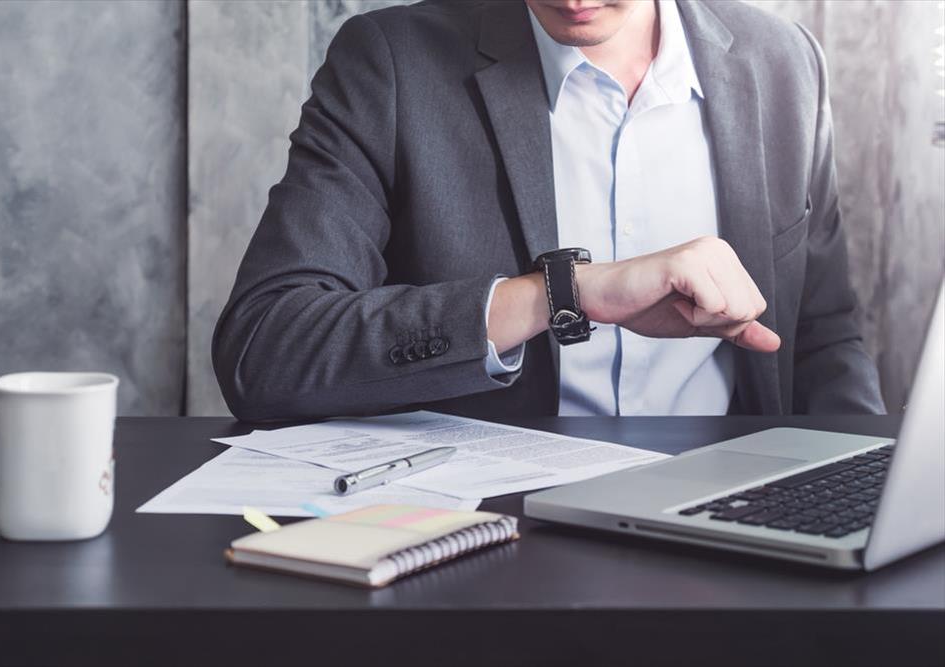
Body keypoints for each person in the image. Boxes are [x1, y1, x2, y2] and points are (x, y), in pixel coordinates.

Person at [213, 0, 885, 422]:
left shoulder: (785, 64)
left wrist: (866, 486)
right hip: (497, 538)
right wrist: (562, 294)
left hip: (739, 530)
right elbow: (264, 349)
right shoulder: (389, 63)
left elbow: (823, 339)